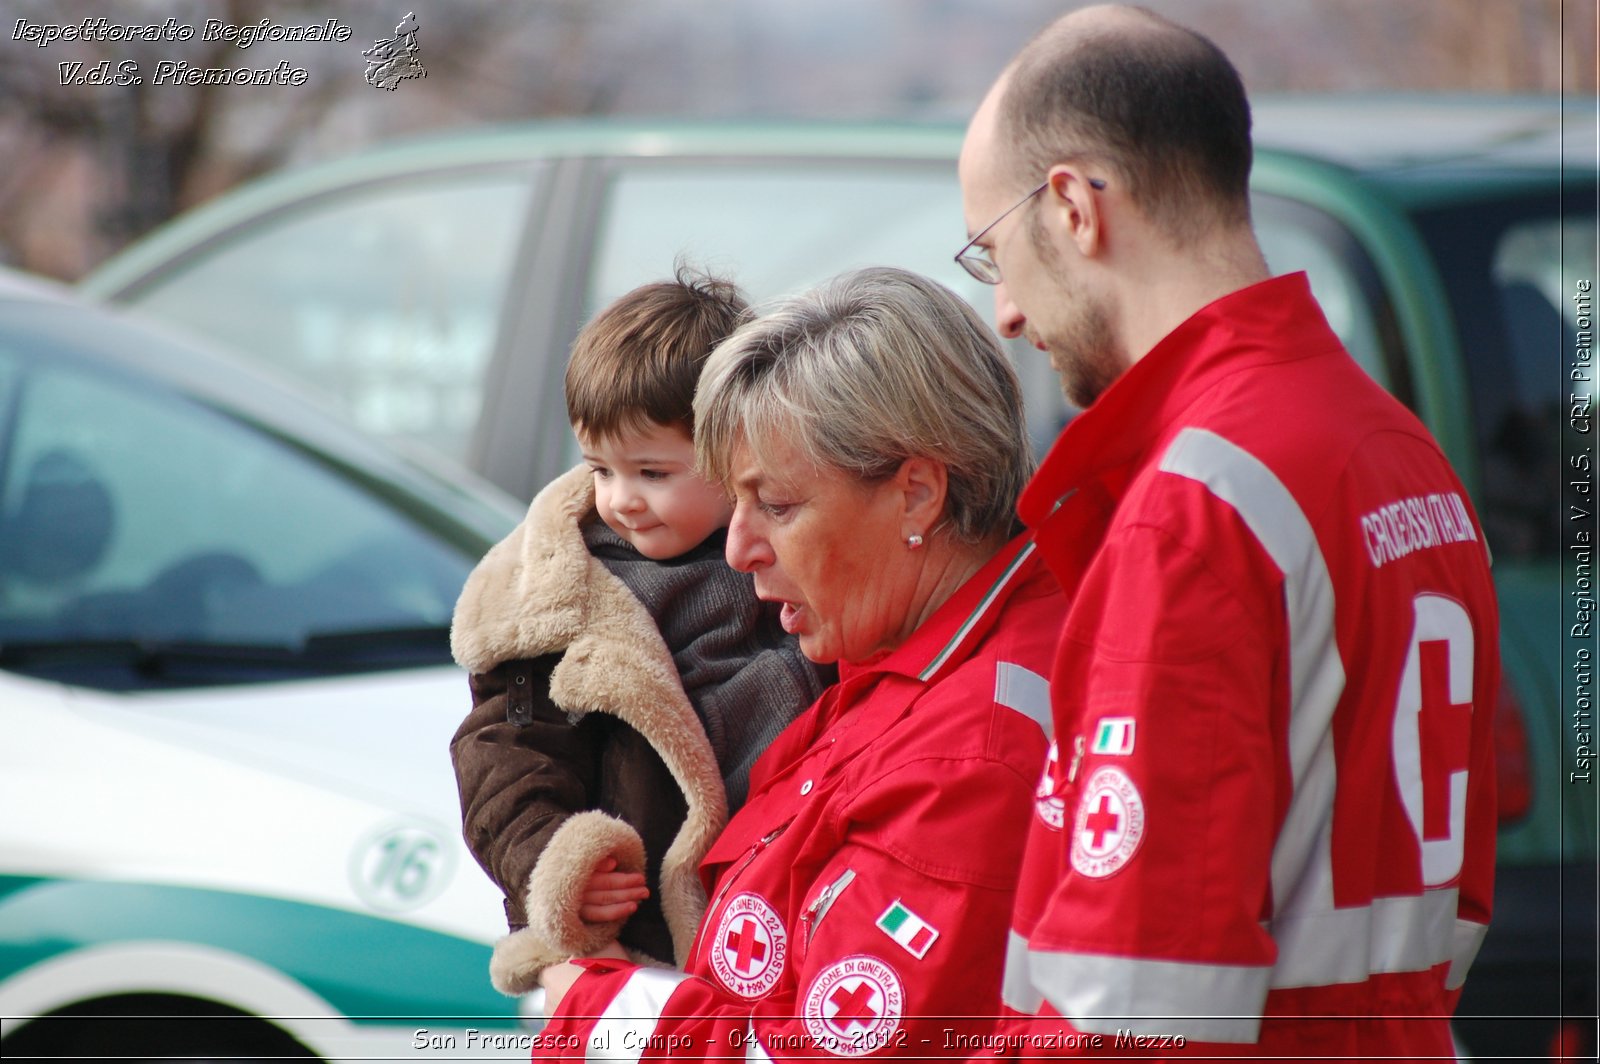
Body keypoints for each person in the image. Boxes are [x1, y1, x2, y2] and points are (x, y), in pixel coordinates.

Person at [957, 5, 1499, 1059]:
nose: (1006, 315)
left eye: (991, 256)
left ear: (1070, 204)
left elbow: (1133, 1009)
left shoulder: (1192, 505)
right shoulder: (1392, 448)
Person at [536, 266, 1059, 1057]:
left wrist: (594, 1011)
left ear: (917, 493)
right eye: (733, 502)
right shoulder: (901, 658)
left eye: (776, 506)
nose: (740, 550)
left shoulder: (968, 756)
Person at [449, 267, 833, 995]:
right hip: (639, 945)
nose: (622, 499)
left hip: (785, 927)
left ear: (736, 451)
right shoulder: (564, 593)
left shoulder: (794, 555)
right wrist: (556, 868)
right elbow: (502, 754)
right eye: (599, 468)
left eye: (652, 472)